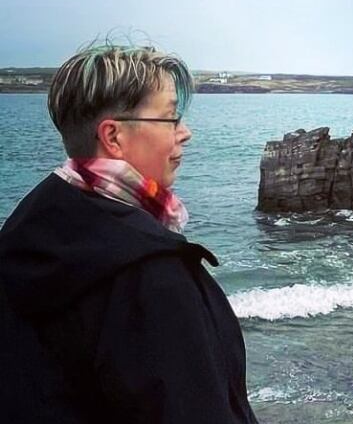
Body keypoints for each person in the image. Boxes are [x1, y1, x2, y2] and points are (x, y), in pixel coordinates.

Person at [0, 42, 259, 423]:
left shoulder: (26, 233)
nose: (184, 133)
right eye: (170, 118)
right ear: (114, 137)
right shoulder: (152, 274)